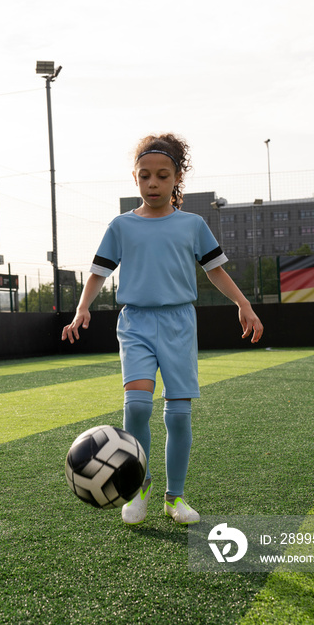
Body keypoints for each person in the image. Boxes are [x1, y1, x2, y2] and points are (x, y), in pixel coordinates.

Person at [62, 133, 263, 525]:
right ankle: (140, 488)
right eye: (144, 176)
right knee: (136, 406)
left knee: (178, 417)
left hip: (178, 324)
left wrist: (244, 304)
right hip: (135, 322)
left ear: (176, 179)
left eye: (162, 176)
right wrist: (82, 308)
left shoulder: (193, 224)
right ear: (135, 179)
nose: (152, 183)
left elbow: (215, 270)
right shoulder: (121, 225)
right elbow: (98, 272)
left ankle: (175, 498)